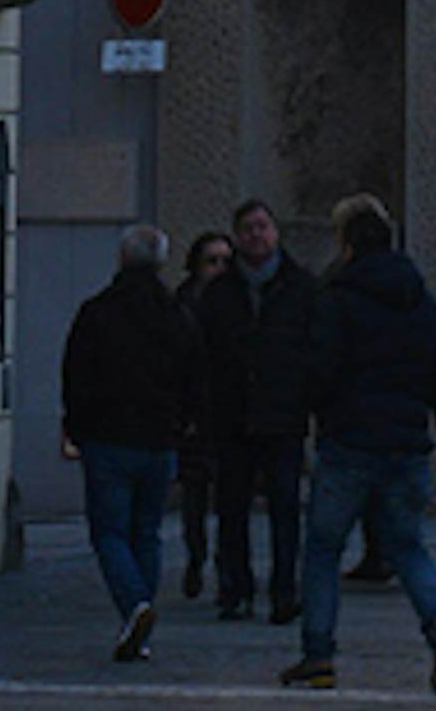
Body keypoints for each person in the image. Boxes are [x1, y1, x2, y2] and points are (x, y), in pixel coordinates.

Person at [277, 197, 436, 698]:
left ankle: (319, 655)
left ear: (347, 244)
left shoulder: (337, 298)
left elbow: (319, 370)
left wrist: (305, 414)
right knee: (407, 546)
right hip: (407, 444)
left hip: (351, 443)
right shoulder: (420, 300)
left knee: (322, 548)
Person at [55, 222, 198, 663]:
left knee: (109, 532)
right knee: (146, 532)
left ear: (121, 259)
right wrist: (184, 424)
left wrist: (76, 426)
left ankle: (134, 604)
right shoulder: (176, 315)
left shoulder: (97, 312)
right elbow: (196, 376)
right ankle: (141, 615)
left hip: (108, 437)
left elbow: (75, 375)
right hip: (158, 439)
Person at [193, 200, 320, 624]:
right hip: (233, 415)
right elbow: (204, 354)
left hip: (283, 416)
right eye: (248, 229)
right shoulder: (219, 294)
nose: (256, 235)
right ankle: (236, 590)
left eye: (263, 227)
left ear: (275, 232)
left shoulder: (302, 288)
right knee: (232, 510)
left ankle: (285, 591)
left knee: (286, 509)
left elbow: (314, 352)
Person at [169, 231, 234, 598]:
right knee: (195, 496)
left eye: (226, 261)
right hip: (196, 413)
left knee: (227, 495)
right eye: (212, 261)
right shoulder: (183, 305)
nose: (220, 269)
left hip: (226, 411)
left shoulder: (236, 304)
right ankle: (197, 557)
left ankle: (224, 564)